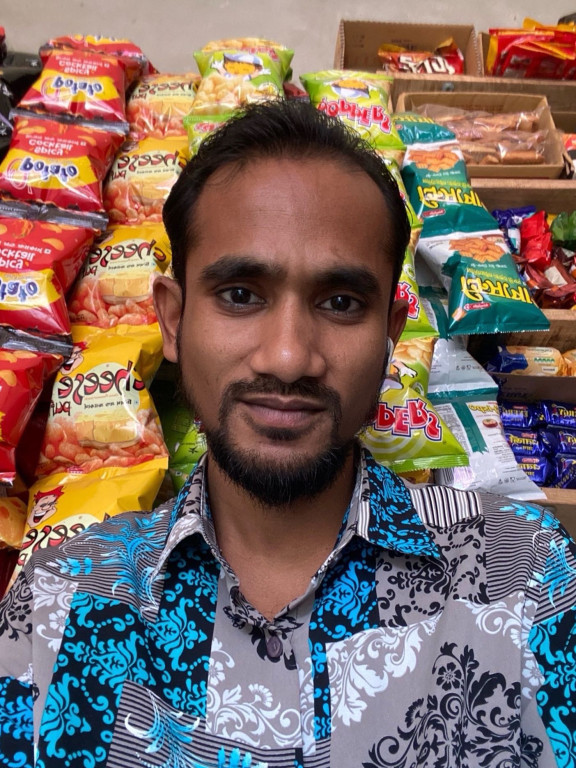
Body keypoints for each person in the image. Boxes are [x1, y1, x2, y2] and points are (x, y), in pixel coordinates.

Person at [0, 99, 575, 768]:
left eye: (340, 303)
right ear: (174, 322)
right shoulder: (61, 601)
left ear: (389, 336)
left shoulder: (524, 575)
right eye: (241, 295)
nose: (288, 356)